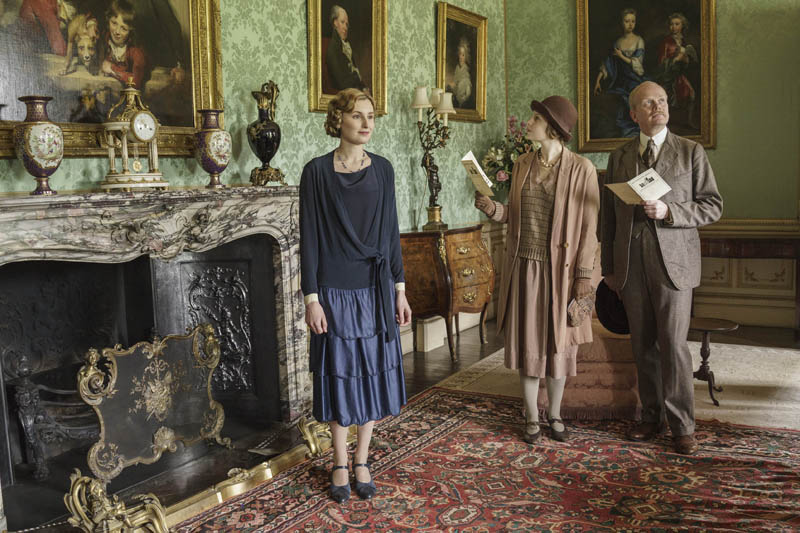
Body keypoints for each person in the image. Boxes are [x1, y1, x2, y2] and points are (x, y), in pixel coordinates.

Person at [300, 88, 411, 503]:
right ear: (338, 121)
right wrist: (311, 297)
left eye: (371, 116)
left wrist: (400, 290)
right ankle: (339, 461)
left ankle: (362, 459)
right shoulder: (316, 172)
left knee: (373, 372)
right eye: (357, 116)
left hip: (376, 289)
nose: (366, 123)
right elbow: (309, 239)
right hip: (334, 291)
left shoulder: (383, 169)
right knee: (340, 374)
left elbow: (391, 234)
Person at [600, 81, 722, 455]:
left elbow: (712, 206)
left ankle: (682, 426)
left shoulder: (690, 152)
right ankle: (651, 417)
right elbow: (608, 219)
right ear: (633, 114)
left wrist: (670, 211)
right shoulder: (619, 157)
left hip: (675, 266)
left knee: (673, 345)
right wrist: (609, 268)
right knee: (643, 345)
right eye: (649, 103)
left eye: (663, 101)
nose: (659, 107)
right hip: (630, 265)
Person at [474, 95, 599, 444]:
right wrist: (493, 209)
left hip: (562, 272)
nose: (528, 123)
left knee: (559, 348)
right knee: (529, 347)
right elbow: (512, 214)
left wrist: (583, 275)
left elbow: (589, 228)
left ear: (553, 127)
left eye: (535, 119)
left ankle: (554, 414)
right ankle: (531, 416)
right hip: (525, 268)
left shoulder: (583, 169)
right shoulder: (522, 165)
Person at [593, 8, 647, 137]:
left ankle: (637, 129)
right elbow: (610, 63)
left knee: (634, 98)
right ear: (622, 23)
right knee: (619, 99)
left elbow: (638, 65)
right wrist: (598, 81)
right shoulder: (618, 42)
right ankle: (626, 130)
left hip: (635, 78)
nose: (630, 24)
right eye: (627, 21)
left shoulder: (639, 40)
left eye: (633, 21)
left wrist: (621, 56)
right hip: (620, 79)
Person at [656, 13, 698, 129]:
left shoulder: (684, 41)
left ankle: (689, 121)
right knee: (665, 99)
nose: (674, 27)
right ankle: (664, 124)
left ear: (682, 25)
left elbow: (691, 63)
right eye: (672, 24)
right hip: (667, 77)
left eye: (677, 24)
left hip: (679, 75)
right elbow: (661, 64)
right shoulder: (666, 42)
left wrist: (686, 60)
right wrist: (675, 60)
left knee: (691, 94)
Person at [100, 0, 147, 88]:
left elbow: (136, 81)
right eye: (114, 23)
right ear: (108, 20)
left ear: (131, 31)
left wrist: (112, 69)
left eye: (124, 29)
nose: (117, 31)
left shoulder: (136, 52)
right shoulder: (106, 37)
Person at [325, 5, 366, 91]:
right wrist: (356, 75)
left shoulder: (347, 47)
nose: (345, 28)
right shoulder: (333, 49)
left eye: (347, 24)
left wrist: (364, 88)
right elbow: (342, 83)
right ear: (335, 23)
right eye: (342, 22)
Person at [449, 37, 473, 108]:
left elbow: (467, 90)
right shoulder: (457, 68)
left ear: (466, 56)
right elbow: (455, 82)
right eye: (460, 54)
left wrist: (463, 98)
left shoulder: (466, 70)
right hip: (456, 96)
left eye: (463, 55)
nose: (461, 57)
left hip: (463, 99)